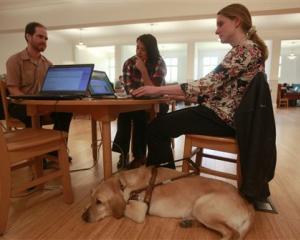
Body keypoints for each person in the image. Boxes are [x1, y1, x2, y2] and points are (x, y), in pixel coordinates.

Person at [132, 4, 276, 203]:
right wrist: (179, 96)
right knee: (159, 124)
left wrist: (158, 89)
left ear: (236, 22)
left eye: (220, 24)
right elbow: (219, 92)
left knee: (156, 127)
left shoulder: (245, 51)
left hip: (223, 118)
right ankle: (165, 180)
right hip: (225, 114)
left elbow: (207, 85)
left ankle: (165, 183)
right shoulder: (247, 51)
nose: (216, 30)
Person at [6, 22, 73, 158]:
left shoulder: (48, 64)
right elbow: (14, 90)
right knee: (32, 115)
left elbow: (52, 90)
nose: (44, 41)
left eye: (46, 38)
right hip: (20, 105)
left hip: (43, 104)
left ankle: (55, 151)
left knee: (66, 111)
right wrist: (35, 106)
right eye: (40, 37)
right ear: (28, 37)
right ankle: (38, 156)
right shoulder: (14, 60)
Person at [112, 34, 168, 169]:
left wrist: (143, 70)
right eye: (137, 48)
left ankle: (139, 156)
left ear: (151, 50)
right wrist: (141, 94)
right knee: (124, 113)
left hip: (158, 103)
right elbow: (129, 88)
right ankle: (123, 153)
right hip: (136, 102)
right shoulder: (129, 63)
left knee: (140, 115)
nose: (138, 52)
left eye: (143, 49)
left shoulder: (159, 63)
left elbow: (154, 91)